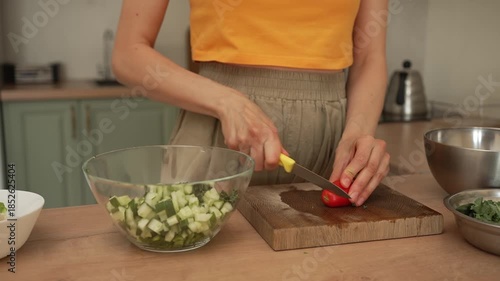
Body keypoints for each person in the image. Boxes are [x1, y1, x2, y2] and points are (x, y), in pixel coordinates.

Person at [112, 0, 390, 206]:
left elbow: (369, 57)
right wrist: (227, 101)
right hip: (219, 133)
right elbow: (128, 55)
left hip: (330, 147)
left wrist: (357, 132)